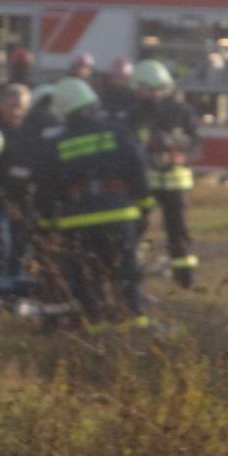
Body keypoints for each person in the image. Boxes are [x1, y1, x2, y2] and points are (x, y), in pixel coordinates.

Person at [32, 78, 152, 329]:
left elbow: (45, 188)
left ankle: (96, 330)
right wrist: (145, 205)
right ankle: (137, 324)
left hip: (76, 220)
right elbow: (138, 168)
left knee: (87, 279)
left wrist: (46, 224)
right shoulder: (118, 131)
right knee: (126, 273)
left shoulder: (55, 144)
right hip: (119, 214)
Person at [128, 59, 200, 288]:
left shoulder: (181, 111)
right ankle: (132, 271)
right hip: (145, 182)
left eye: (141, 87)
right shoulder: (136, 112)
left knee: (177, 231)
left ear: (152, 85)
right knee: (135, 227)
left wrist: (175, 147)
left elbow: (196, 144)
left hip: (175, 182)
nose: (138, 92)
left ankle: (184, 276)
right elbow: (127, 143)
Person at [0, 85, 31, 277]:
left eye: (21, 106)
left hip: (22, 203)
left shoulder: (30, 132)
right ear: (1, 105)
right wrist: (5, 204)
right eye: (12, 105)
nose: (16, 111)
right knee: (1, 246)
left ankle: (15, 292)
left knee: (21, 250)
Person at [99, 57, 139, 123]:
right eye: (116, 76)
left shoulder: (133, 96)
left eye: (122, 77)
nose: (118, 80)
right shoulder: (103, 93)